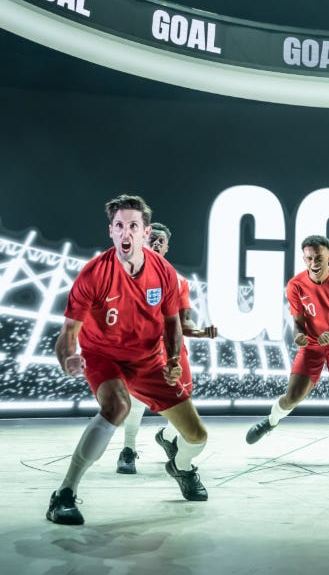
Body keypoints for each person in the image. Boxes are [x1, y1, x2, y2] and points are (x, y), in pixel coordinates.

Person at [47, 195, 210, 525]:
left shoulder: (163, 272)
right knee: (118, 406)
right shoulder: (94, 274)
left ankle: (180, 466)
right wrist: (68, 357)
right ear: (111, 231)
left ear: (145, 232)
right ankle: (64, 494)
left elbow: (171, 323)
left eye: (133, 226)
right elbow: (67, 331)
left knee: (197, 437)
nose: (126, 232)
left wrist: (174, 359)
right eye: (119, 225)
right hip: (103, 355)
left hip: (148, 361)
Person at [245, 234, 329, 465]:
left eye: (318, 257)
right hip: (311, 345)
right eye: (309, 258)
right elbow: (298, 321)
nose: (314, 263)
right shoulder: (296, 284)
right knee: (292, 397)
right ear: (304, 259)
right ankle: (270, 421)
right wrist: (298, 335)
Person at [116, 222, 219, 474]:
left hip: (172, 348)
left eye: (163, 241)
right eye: (154, 238)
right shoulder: (123, 273)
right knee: (136, 401)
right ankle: (128, 449)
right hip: (141, 348)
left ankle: (165, 436)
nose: (158, 243)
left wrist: (200, 331)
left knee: (184, 398)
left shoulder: (178, 280)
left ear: (167, 247)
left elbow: (185, 320)